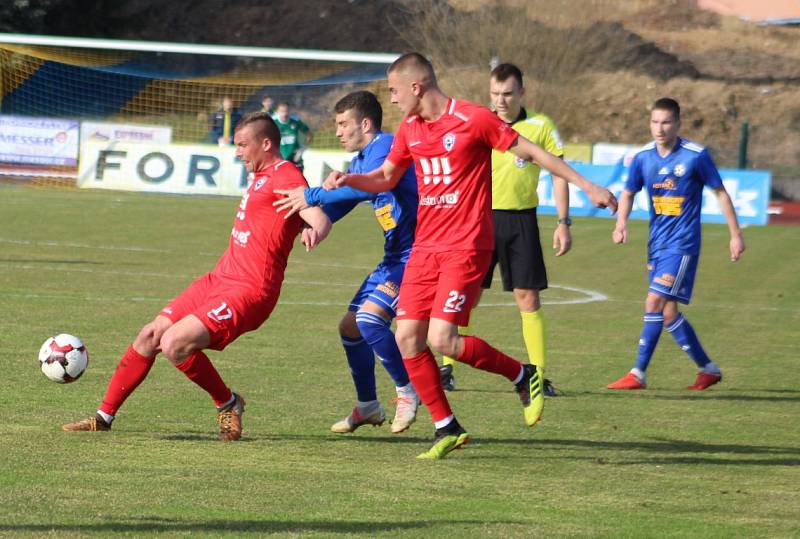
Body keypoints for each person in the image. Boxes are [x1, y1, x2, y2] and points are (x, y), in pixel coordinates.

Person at [325, 52, 618, 459]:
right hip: (425, 248)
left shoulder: (473, 119)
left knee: (442, 338)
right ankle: (447, 427)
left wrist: (587, 186)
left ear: (416, 86)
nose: (390, 100)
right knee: (408, 338)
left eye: (393, 91)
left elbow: (534, 152)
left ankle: (522, 374)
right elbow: (387, 177)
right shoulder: (410, 129)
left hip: (465, 246)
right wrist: (349, 178)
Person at [62, 112, 332, 440]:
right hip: (219, 279)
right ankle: (103, 417)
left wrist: (316, 225)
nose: (237, 152)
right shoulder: (261, 175)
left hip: (250, 291)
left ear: (265, 144)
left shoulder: (285, 173)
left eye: (243, 145)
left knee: (174, 343)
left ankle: (228, 403)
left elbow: (314, 213)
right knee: (150, 335)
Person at [273, 90, 420, 434]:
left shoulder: (384, 148)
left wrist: (312, 195)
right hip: (393, 257)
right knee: (351, 327)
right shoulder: (361, 160)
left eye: (343, 124)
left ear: (365, 124)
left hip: (416, 254)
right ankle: (368, 406)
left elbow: (365, 190)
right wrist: (315, 222)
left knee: (370, 321)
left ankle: (407, 392)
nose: (337, 132)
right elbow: (344, 201)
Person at [439, 63, 570, 398]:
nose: (501, 100)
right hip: (477, 219)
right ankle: (447, 367)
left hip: (521, 220)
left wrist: (563, 222)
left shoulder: (540, 126)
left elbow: (559, 173)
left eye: (508, 93)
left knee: (528, 296)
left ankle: (538, 374)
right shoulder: (479, 122)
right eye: (495, 93)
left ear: (521, 92)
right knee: (466, 294)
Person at [607, 97, 745, 391]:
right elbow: (629, 192)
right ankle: (708, 369)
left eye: (666, 122)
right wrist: (621, 223)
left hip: (682, 244)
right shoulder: (643, 157)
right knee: (667, 312)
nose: (660, 128)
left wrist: (735, 235)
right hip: (656, 244)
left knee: (653, 301)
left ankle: (638, 373)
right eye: (655, 122)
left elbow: (720, 193)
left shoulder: (695, 156)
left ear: (678, 123)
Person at [274, 101, 313, 169]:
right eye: (282, 111)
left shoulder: (295, 121)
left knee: (298, 177)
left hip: (295, 157)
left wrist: (302, 149)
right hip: (278, 158)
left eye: (286, 111)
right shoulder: (273, 122)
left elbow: (309, 134)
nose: (285, 114)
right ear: (277, 112)